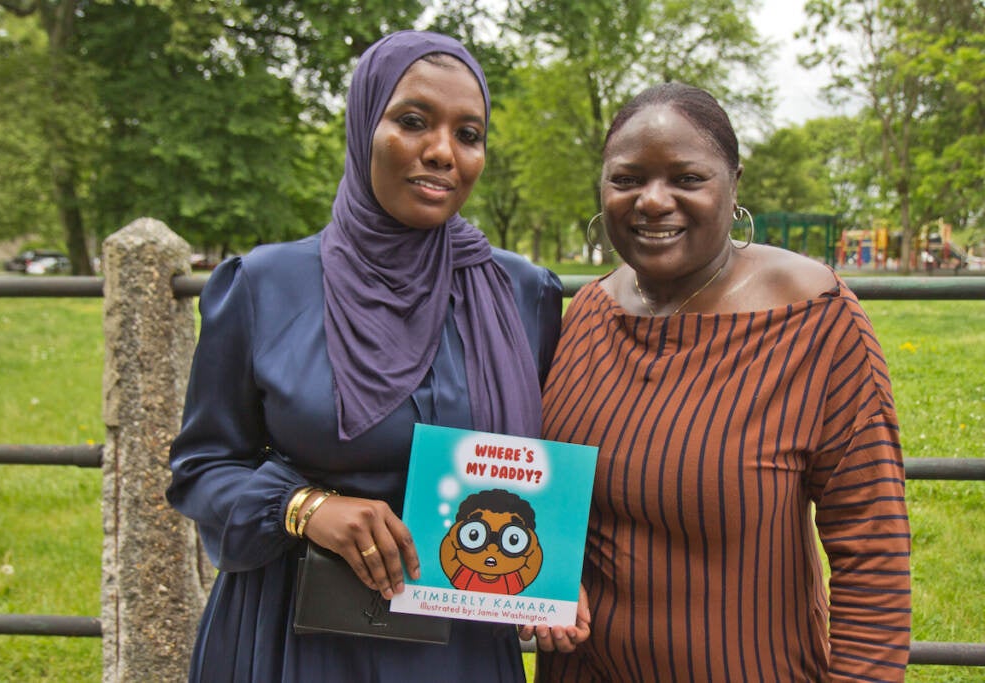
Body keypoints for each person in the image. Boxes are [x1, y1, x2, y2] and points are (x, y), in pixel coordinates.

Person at [166, 30, 569, 682]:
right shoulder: (264, 286)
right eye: (412, 122)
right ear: (363, 126)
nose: (442, 152)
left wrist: (554, 573)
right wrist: (305, 507)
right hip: (296, 639)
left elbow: (544, 468)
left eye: (469, 134)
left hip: (458, 644)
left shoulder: (520, 293)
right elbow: (200, 470)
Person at [536, 83, 910, 682]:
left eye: (687, 178)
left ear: (733, 184)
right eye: (627, 178)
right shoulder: (585, 313)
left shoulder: (816, 320)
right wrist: (550, 576)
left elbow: (873, 552)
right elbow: (554, 501)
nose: (652, 201)